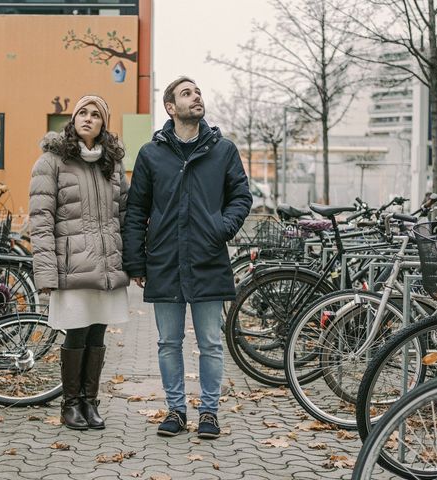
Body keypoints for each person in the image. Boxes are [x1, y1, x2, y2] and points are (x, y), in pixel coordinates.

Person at [123, 77, 252, 439]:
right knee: (168, 342)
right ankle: (176, 411)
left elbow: (241, 196)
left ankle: (209, 412)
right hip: (164, 259)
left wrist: (221, 228)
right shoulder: (151, 154)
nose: (196, 96)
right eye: (186, 93)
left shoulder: (222, 150)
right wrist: (136, 262)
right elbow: (136, 210)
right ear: (170, 107)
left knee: (211, 342)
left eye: (198, 92)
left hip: (208, 257)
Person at [29, 95, 130, 430]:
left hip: (105, 266)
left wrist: (129, 261)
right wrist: (45, 272)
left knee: (97, 334)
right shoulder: (52, 160)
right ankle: (70, 405)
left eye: (96, 114)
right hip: (71, 266)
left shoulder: (112, 163)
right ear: (73, 120)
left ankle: (90, 401)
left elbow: (125, 214)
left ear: (103, 123)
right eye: (82, 113)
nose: (88, 118)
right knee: (75, 335)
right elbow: (41, 218)